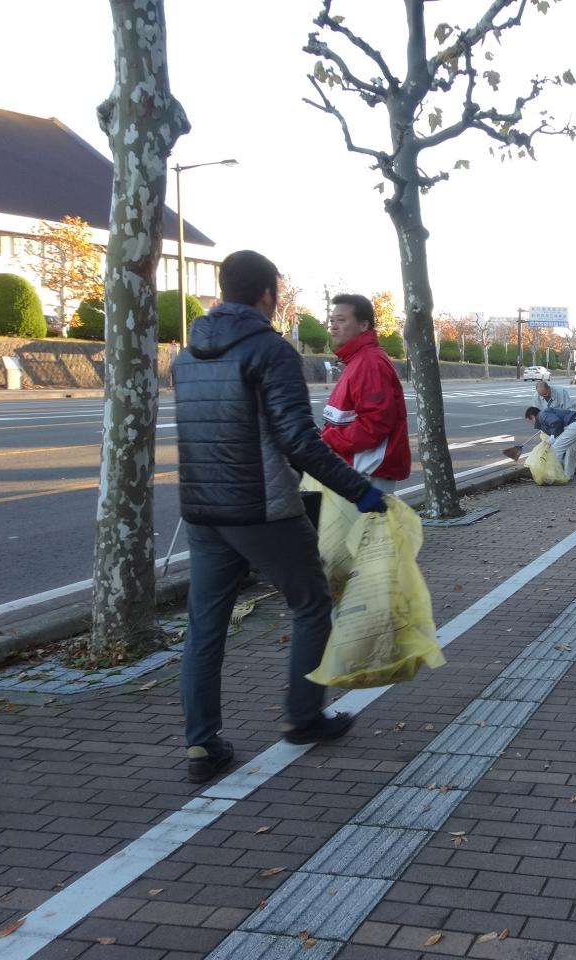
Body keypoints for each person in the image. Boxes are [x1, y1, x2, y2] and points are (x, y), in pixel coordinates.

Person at [173, 250, 389, 784]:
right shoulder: (270, 351)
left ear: (223, 289)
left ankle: (202, 745)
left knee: (205, 626)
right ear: (269, 294)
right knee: (312, 602)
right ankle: (304, 716)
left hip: (202, 510)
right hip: (262, 507)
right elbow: (298, 440)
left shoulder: (185, 355)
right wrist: (359, 490)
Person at [321, 294, 411, 494]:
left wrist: (328, 439)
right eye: (332, 321)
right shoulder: (357, 360)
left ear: (363, 325)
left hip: (368, 474)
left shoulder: (369, 363)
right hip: (359, 470)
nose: (334, 326)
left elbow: (375, 423)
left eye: (341, 320)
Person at [525, 404, 576, 478]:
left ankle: (553, 476)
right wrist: (553, 437)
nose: (531, 423)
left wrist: (553, 437)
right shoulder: (545, 414)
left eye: (529, 421)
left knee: (555, 449)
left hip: (574, 426)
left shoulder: (542, 415)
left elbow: (556, 422)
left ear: (532, 417)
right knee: (570, 449)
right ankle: (568, 476)